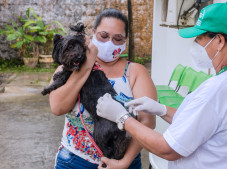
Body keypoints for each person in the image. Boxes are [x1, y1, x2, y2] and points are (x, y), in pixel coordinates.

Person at [96, 2, 227, 169]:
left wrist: (122, 118)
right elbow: (203, 123)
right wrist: (162, 110)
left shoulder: (218, 89)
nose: (195, 44)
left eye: (199, 38)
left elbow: (167, 148)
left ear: (219, 41)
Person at [50, 8, 156, 169]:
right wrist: (87, 65)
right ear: (93, 33)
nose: (109, 43)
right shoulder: (68, 67)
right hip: (74, 161)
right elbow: (57, 107)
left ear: (125, 40)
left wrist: (124, 162)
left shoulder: (135, 72)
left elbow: (147, 121)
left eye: (118, 38)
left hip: (124, 161)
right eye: (104, 36)